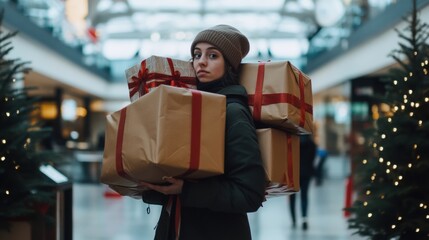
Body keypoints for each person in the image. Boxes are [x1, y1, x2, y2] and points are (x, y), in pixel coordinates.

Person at [140, 25, 267, 240]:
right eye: (197, 54)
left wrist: (185, 190)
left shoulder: (233, 112)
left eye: (213, 55)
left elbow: (250, 195)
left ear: (230, 64)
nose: (201, 61)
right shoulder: (187, 109)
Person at [289, 134, 317, 230]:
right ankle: (304, 219)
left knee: (292, 196)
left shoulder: (293, 142)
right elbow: (313, 159)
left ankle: (293, 219)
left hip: (294, 173)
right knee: (304, 196)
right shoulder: (312, 144)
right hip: (306, 173)